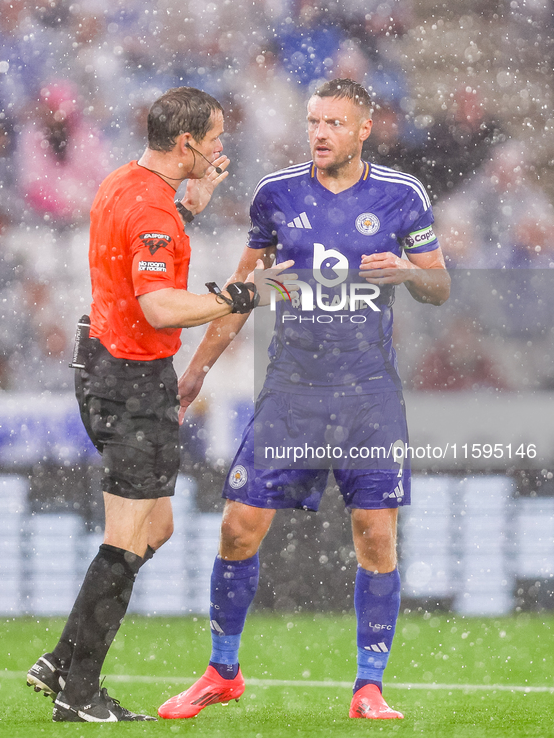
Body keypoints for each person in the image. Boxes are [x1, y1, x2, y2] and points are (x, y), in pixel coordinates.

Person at [158, 78, 450, 721]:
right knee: (238, 528)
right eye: (314, 121)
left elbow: (439, 287)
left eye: (334, 123)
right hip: (291, 391)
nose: (319, 133)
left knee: (376, 535)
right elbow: (241, 291)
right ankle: (221, 671)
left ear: (364, 129)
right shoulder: (277, 195)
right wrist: (197, 371)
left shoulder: (402, 196)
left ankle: (368, 687)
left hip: (369, 395)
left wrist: (406, 271)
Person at [26, 86, 294, 723]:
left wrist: (190, 208)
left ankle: (62, 659)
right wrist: (238, 299)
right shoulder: (153, 211)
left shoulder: (126, 182)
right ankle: (80, 694)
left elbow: (138, 261)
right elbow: (157, 306)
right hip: (132, 380)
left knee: (158, 526)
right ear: (187, 144)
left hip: (99, 365)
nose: (222, 149)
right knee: (129, 535)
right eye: (216, 139)